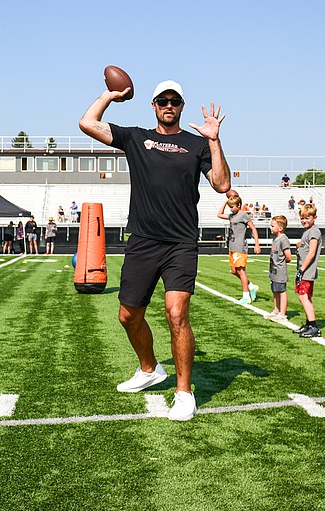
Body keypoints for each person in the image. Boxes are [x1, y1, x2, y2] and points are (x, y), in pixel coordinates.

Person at [79, 78, 230, 422]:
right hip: (143, 241)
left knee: (176, 314)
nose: (168, 106)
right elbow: (87, 123)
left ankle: (184, 393)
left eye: (174, 101)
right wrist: (110, 95)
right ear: (153, 105)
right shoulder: (137, 137)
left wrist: (215, 140)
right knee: (127, 316)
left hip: (181, 243)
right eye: (163, 100)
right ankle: (150, 369)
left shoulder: (197, 144)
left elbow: (222, 184)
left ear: (181, 106)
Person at [216, 193, 259, 305]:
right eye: (230, 206)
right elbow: (219, 214)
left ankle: (246, 296)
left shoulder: (243, 215)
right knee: (234, 271)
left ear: (239, 205)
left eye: (233, 206)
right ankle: (251, 286)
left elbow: (253, 229)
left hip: (240, 246)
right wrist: (226, 202)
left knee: (241, 270)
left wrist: (257, 244)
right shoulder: (231, 215)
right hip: (232, 246)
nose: (231, 208)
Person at [293, 203, 323, 337]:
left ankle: (314, 326)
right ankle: (308, 323)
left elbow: (311, 252)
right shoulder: (307, 232)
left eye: (307, 218)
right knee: (306, 297)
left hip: (307, 271)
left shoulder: (314, 232)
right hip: (304, 269)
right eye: (302, 218)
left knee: (303, 297)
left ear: (314, 217)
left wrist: (302, 270)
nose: (304, 221)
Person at [268, 216, 292, 318]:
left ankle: (282, 313)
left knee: (281, 291)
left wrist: (281, 263)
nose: (270, 227)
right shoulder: (275, 239)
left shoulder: (283, 239)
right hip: (273, 270)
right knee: (275, 290)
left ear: (280, 228)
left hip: (280, 270)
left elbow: (288, 256)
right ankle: (276, 310)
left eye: (273, 226)